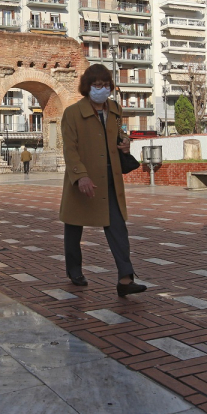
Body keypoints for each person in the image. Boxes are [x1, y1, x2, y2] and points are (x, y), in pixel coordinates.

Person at [59, 63, 146, 297]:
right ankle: (74, 270)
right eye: (97, 85)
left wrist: (125, 142)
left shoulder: (115, 109)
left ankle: (126, 279)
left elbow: (119, 134)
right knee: (74, 227)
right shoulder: (73, 113)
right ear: (87, 87)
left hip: (110, 178)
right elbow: (70, 149)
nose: (102, 89)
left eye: (106, 85)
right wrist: (81, 176)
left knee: (118, 228)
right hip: (84, 178)